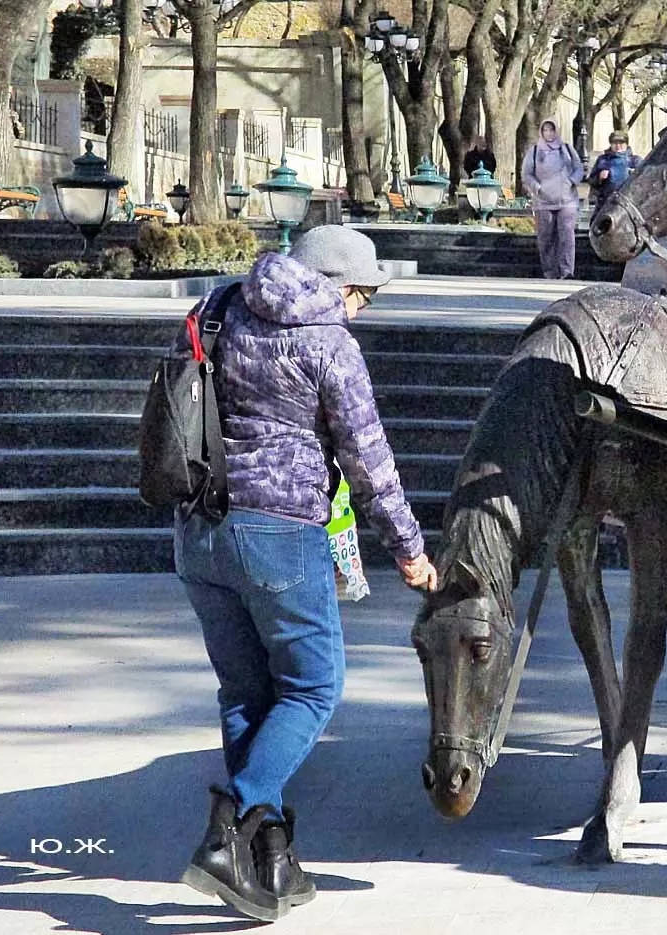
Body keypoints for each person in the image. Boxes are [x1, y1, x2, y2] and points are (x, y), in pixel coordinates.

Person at [177, 225, 438, 922]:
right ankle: (228, 828)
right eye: (365, 297)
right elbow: (368, 459)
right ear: (339, 285)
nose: (362, 310)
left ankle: (269, 862)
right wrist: (409, 548)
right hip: (280, 534)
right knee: (313, 688)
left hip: (198, 528)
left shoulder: (218, 306)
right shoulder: (330, 342)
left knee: (246, 693)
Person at [522, 117, 585, 279]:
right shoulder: (535, 151)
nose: (549, 133)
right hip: (544, 201)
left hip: (567, 200)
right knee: (546, 237)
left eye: (551, 130)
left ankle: (567, 271)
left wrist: (571, 181)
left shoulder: (567, 149)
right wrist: (538, 187)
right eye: (545, 130)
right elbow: (527, 174)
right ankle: (550, 271)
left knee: (567, 235)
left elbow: (579, 168)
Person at [588, 130, 642, 212]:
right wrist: (599, 177)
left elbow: (644, 181)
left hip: (629, 205)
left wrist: (633, 174)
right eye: (615, 143)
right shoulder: (603, 160)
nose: (618, 146)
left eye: (621, 143)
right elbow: (591, 181)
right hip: (606, 203)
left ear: (626, 144)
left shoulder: (634, 161)